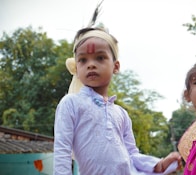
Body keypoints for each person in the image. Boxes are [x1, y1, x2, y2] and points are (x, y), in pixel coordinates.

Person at [53, 10, 182, 175]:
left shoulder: (121, 114)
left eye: (100, 58)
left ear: (116, 66)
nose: (91, 65)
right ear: (76, 69)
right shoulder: (70, 103)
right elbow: (62, 150)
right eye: (83, 60)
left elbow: (132, 155)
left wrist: (159, 165)